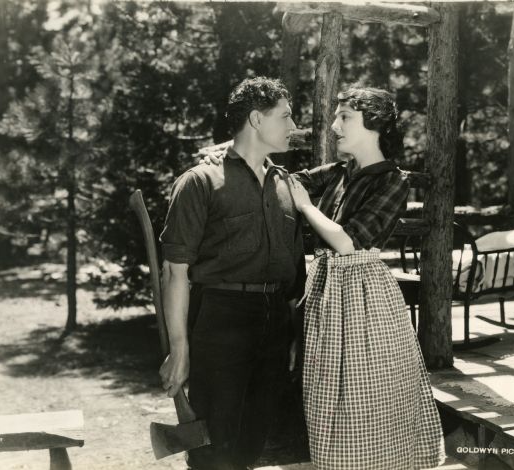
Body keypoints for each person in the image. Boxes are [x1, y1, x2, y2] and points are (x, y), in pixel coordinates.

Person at [287, 87, 445, 469]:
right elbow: (289, 182)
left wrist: (306, 206)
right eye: (337, 117)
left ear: (374, 125)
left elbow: (348, 242)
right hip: (327, 290)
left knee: (365, 391)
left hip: (363, 297)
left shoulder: (392, 180)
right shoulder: (340, 173)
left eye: (346, 118)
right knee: (328, 390)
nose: (335, 126)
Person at [158, 77, 305, 470]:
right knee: (213, 444)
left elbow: (294, 270)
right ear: (257, 119)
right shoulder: (200, 181)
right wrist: (179, 347)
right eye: (286, 116)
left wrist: (292, 330)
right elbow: (174, 271)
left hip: (275, 321)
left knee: (254, 439)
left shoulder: (287, 185)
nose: (294, 126)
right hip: (222, 316)